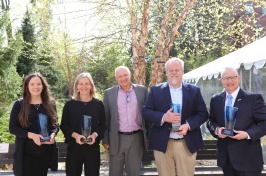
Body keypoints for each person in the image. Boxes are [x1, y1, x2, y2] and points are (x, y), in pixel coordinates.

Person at [142, 57, 208, 176]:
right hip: (163, 144)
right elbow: (146, 111)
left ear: (182, 71)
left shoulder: (194, 90)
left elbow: (203, 113)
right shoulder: (155, 90)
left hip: (186, 143)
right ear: (166, 72)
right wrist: (164, 117)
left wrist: (188, 125)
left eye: (177, 70)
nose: (174, 73)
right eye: (170, 70)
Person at [207, 67, 266, 176]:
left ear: (238, 78)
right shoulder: (216, 100)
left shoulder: (253, 99)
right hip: (226, 159)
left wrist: (247, 134)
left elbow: (264, 122)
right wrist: (217, 130)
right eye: (226, 78)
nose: (229, 81)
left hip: (248, 160)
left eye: (232, 78)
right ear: (221, 80)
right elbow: (211, 120)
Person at [102, 66, 149, 176]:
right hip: (116, 139)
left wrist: (148, 136)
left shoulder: (142, 91)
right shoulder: (109, 93)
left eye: (125, 75)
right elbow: (106, 118)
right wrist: (105, 139)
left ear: (130, 74)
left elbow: (147, 115)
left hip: (136, 138)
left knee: (134, 172)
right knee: (114, 172)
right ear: (116, 78)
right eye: (120, 76)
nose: (123, 78)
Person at [9, 73, 59, 176]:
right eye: (32, 84)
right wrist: (32, 136)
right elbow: (13, 128)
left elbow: (55, 125)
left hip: (44, 155)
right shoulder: (19, 104)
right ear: (27, 86)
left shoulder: (50, 103)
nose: (36, 87)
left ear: (43, 86)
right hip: (25, 155)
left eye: (38, 84)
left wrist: (52, 135)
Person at [60, 72, 106, 176]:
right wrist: (75, 136)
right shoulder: (69, 105)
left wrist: (94, 135)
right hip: (74, 147)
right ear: (77, 86)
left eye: (87, 83)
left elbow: (103, 125)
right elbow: (64, 125)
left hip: (92, 147)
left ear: (91, 86)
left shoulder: (99, 104)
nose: (84, 86)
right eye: (81, 83)